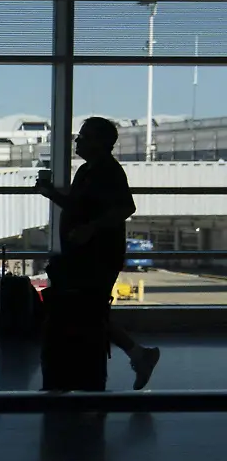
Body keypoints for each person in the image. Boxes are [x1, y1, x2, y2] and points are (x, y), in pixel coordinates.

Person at [36, 117, 160, 390]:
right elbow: (77, 206)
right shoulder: (86, 171)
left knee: (88, 312)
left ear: (101, 143)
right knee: (89, 312)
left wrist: (91, 229)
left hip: (97, 256)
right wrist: (51, 194)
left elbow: (125, 207)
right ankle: (137, 355)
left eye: (84, 136)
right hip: (82, 256)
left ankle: (130, 358)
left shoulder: (109, 172)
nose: (77, 141)